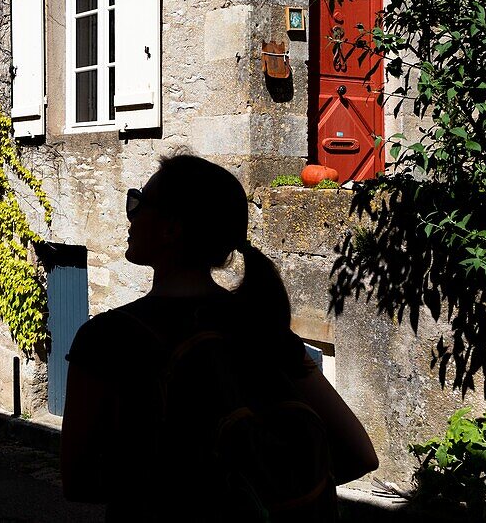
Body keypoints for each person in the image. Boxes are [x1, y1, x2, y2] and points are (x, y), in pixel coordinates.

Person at [61, 154, 378, 520]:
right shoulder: (259, 325)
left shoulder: (106, 338)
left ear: (171, 229)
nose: (130, 215)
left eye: (139, 203)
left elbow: (79, 481)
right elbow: (359, 454)